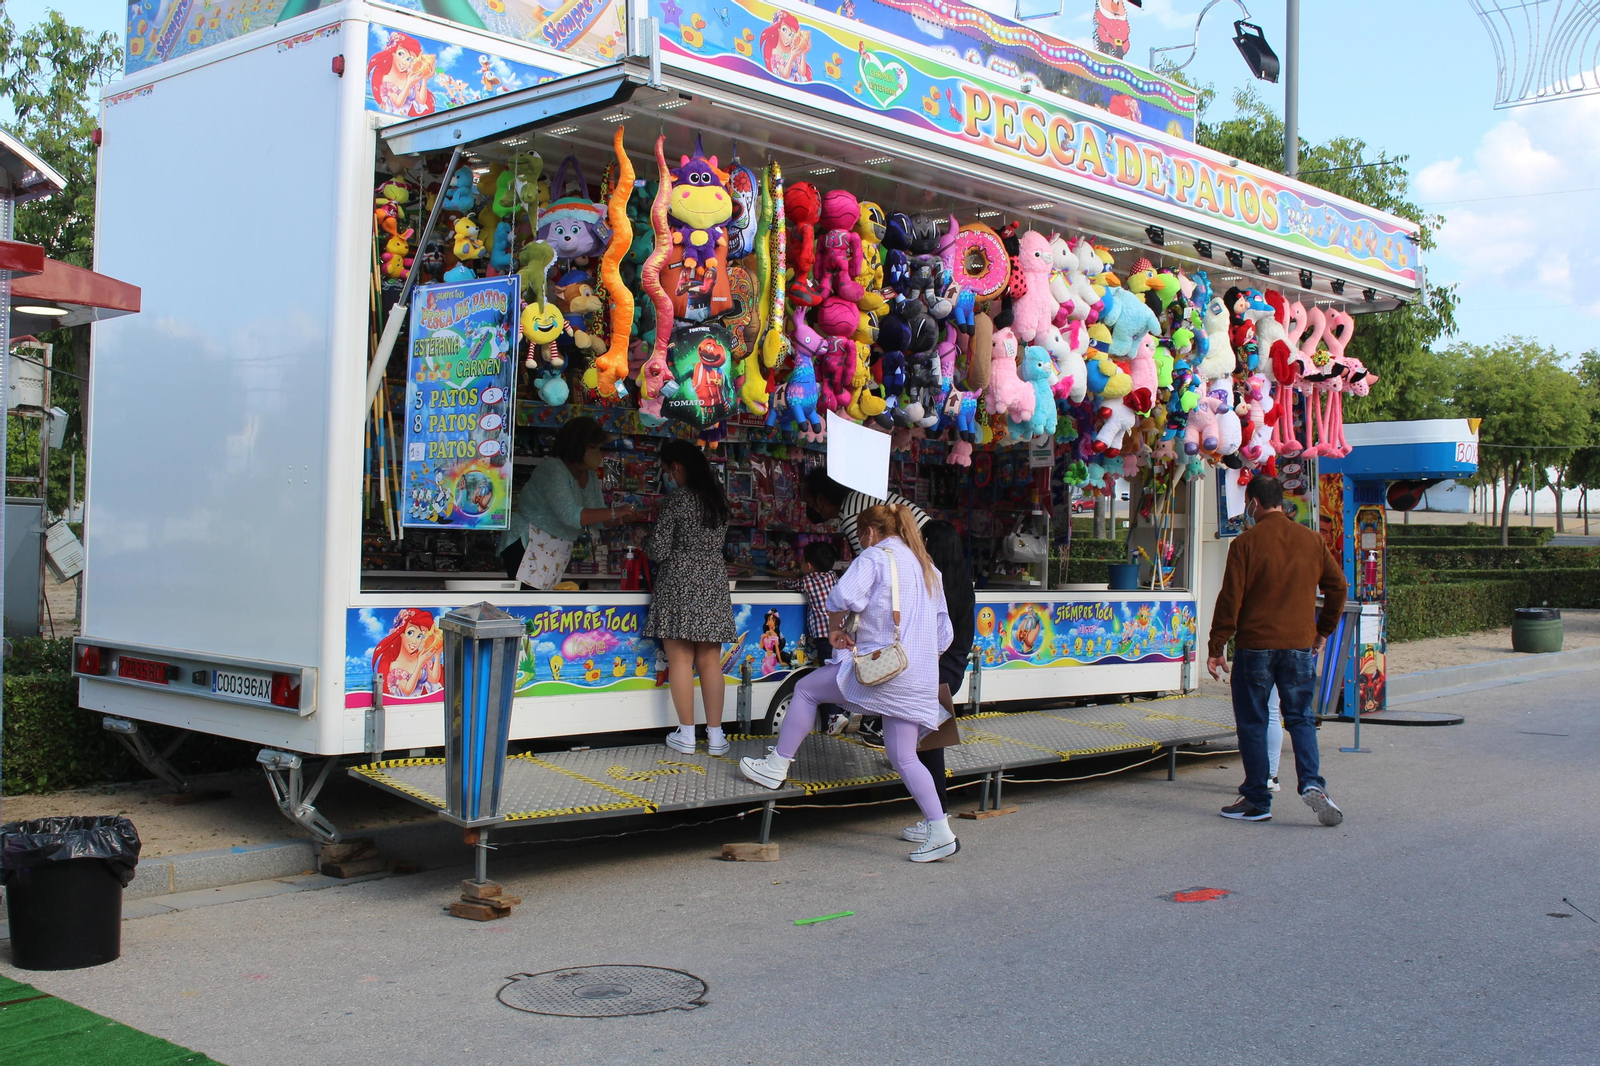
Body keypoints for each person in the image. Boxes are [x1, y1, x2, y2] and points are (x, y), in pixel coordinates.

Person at [740, 504, 960, 862]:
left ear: (870, 532)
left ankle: (776, 766)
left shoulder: (875, 557)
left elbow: (841, 597)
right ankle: (940, 829)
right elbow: (943, 633)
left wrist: (836, 630)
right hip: (917, 675)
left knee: (807, 689)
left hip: (881, 671)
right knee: (903, 756)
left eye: (859, 536)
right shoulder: (926, 566)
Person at [1207, 475, 1348, 825]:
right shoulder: (1313, 541)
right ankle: (1313, 784)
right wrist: (1322, 631)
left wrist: (1217, 645)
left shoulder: (1246, 543)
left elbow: (1230, 599)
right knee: (1300, 718)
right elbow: (1339, 587)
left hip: (1256, 647)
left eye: (1247, 505)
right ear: (1280, 501)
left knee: (1253, 722)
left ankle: (1257, 800)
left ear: (1253, 503)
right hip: (1300, 645)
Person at [643, 439, 737, 756]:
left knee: (680, 660)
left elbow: (659, 549)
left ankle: (686, 734)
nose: (668, 475)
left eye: (667, 469)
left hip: (679, 581)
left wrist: (644, 538)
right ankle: (715, 736)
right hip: (712, 581)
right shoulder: (717, 500)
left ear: (677, 468)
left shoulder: (677, 501)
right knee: (710, 662)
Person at [499, 417, 642, 590]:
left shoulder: (589, 475)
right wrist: (616, 511)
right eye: (593, 448)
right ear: (577, 445)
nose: (599, 454)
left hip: (554, 551)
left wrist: (621, 518)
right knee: (528, 605)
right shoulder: (553, 469)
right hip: (529, 544)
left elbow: (599, 518)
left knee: (542, 605)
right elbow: (571, 515)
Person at [899, 520, 974, 842]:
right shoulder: (963, 581)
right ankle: (935, 817)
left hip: (931, 670)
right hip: (952, 670)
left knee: (928, 748)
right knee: (928, 744)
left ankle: (937, 819)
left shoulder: (931, 582)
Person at [802, 469, 929, 556]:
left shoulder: (849, 513)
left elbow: (866, 561)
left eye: (811, 504)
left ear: (820, 499)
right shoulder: (858, 496)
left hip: (924, 541)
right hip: (925, 534)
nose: (812, 509)